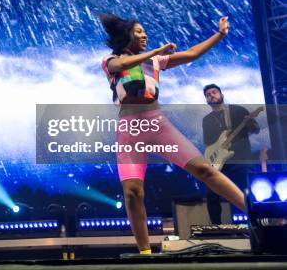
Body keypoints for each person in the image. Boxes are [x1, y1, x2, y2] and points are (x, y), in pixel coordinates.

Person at [99, 14, 246, 254]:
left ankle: (256, 214)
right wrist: (155, 51)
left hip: (157, 124)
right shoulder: (110, 60)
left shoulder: (156, 60)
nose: (144, 34)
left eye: (144, 31)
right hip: (129, 129)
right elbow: (123, 66)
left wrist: (219, 35)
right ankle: (145, 252)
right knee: (133, 193)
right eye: (138, 32)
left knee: (205, 170)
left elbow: (192, 55)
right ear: (126, 36)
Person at [203, 84, 260, 224]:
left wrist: (251, 122)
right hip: (220, 163)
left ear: (221, 95)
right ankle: (216, 228)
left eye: (214, 92)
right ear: (206, 100)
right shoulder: (207, 119)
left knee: (245, 192)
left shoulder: (238, 110)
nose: (211, 95)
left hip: (241, 160)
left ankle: (253, 224)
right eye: (208, 94)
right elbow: (208, 143)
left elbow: (255, 130)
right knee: (212, 194)